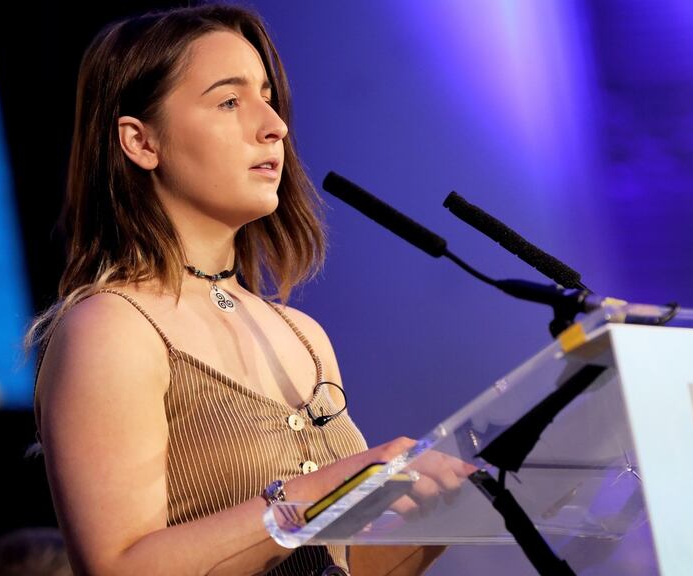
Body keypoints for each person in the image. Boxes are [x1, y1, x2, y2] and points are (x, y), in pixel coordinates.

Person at [27, 5, 466, 575]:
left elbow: (344, 567)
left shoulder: (303, 336)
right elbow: (118, 568)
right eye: (230, 101)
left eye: (267, 96)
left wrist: (446, 513)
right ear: (140, 141)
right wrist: (319, 491)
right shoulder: (111, 328)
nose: (274, 124)